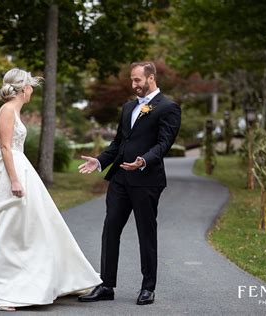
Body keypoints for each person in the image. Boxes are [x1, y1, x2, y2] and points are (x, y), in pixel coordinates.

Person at [0, 68, 102, 311]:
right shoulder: (8, 111)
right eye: (30, 86)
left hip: (19, 169)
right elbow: (5, 148)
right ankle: (5, 293)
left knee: (36, 227)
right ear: (23, 88)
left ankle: (51, 281)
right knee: (13, 230)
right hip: (14, 173)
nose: (32, 91)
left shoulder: (12, 111)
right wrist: (14, 180)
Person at [77, 61, 181, 305]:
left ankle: (148, 288)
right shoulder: (128, 108)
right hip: (120, 180)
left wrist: (143, 161)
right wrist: (100, 161)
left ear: (151, 78)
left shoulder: (168, 107)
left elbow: (164, 144)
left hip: (146, 181)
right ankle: (106, 286)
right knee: (110, 229)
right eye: (132, 80)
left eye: (137, 80)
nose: (133, 85)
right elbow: (119, 144)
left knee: (146, 233)